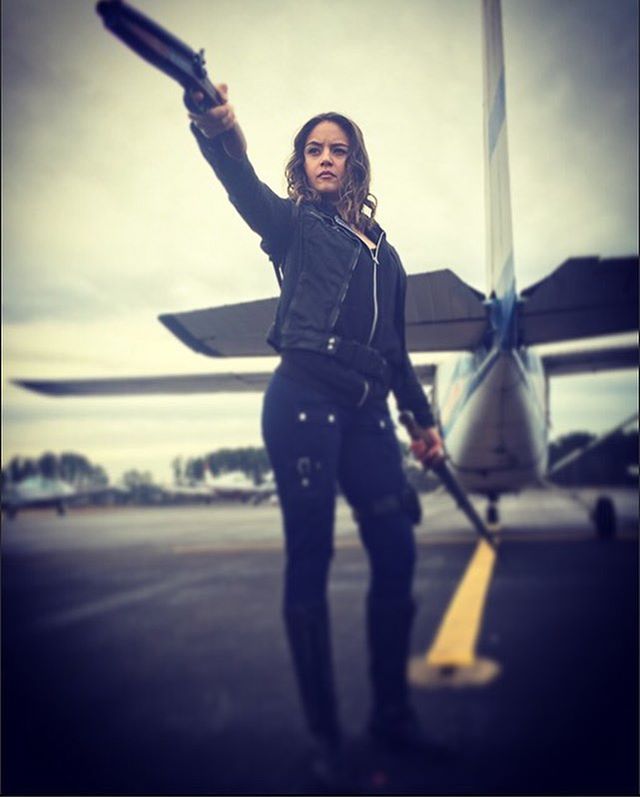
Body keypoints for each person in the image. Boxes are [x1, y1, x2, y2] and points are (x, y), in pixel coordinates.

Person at [188, 85, 445, 776]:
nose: (326, 158)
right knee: (312, 559)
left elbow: (396, 350)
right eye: (314, 150)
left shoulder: (387, 256)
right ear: (302, 164)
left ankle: (392, 716)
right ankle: (327, 740)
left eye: (338, 149)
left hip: (369, 412)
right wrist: (217, 131)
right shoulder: (293, 225)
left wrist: (423, 422)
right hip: (302, 400)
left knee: (397, 550)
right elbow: (240, 185)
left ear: (356, 163)